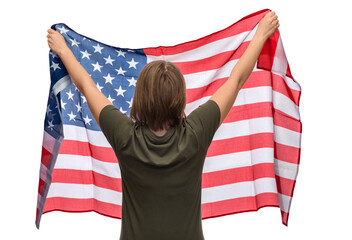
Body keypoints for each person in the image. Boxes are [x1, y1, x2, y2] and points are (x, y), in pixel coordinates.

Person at [47, 11, 279, 240]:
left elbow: (88, 86)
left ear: (141, 96)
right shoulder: (195, 133)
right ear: (179, 97)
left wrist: (64, 50)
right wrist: (259, 37)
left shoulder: (125, 136)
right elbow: (236, 80)